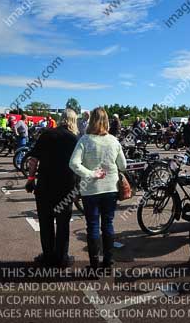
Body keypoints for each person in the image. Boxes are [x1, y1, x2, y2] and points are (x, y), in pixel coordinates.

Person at [69, 107, 126, 270]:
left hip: (91, 190)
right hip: (110, 188)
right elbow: (123, 165)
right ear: (107, 121)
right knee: (108, 223)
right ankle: (108, 262)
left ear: (92, 120)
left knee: (92, 225)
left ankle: (94, 266)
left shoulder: (85, 140)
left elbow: (73, 163)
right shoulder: (114, 141)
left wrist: (90, 174)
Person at [26, 108, 79, 267]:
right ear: (73, 121)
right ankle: (62, 258)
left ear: (61, 119)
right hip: (66, 188)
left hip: (45, 186)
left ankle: (48, 256)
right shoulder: (74, 139)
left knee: (46, 222)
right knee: (63, 224)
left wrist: (30, 179)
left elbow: (33, 160)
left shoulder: (46, 134)